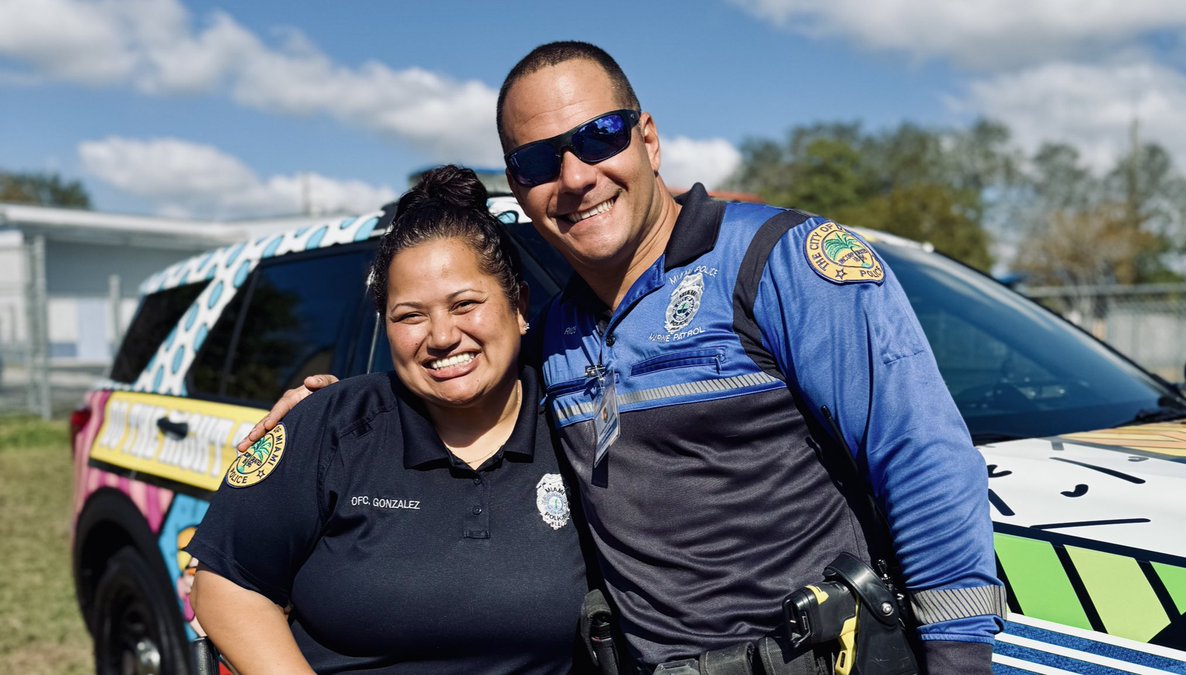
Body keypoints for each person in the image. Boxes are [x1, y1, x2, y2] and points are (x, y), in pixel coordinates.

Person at [243, 42, 1006, 674]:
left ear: (648, 138)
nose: (576, 176)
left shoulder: (777, 262)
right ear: (518, 186)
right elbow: (456, 382)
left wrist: (959, 656)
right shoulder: (555, 332)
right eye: (539, 159)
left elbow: (922, 456)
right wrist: (316, 421)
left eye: (600, 135)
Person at [187, 166, 592, 674]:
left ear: (519, 306)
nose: (441, 336)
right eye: (410, 316)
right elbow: (226, 584)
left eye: (465, 304)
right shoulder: (331, 426)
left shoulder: (579, 426)